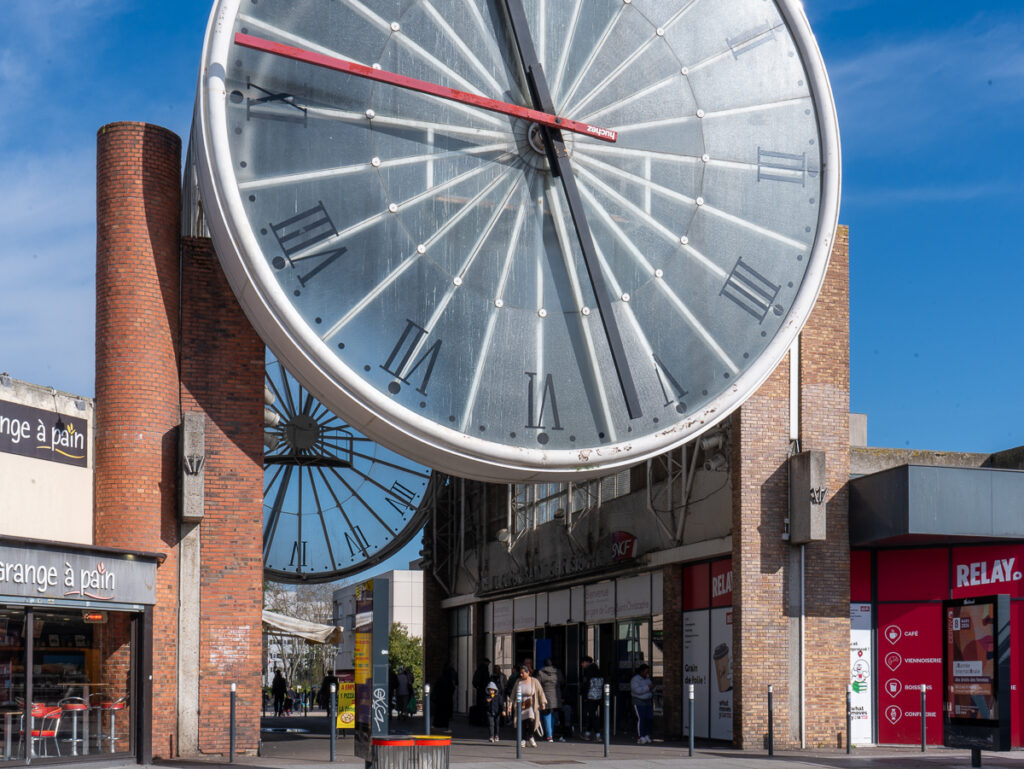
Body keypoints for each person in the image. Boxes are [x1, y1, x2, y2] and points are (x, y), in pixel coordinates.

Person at [508, 664, 547, 748]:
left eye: (523, 673)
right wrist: (510, 705)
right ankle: (523, 739)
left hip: (531, 704)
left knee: (531, 720)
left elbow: (540, 692)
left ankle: (531, 736)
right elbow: (513, 694)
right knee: (522, 722)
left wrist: (543, 703)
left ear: (528, 672)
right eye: (520, 673)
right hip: (521, 704)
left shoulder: (534, 681)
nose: (521, 674)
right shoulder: (518, 681)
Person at [536, 658, 565, 742]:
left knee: (546, 715)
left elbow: (537, 685)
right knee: (553, 715)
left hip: (545, 696)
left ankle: (549, 735)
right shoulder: (558, 672)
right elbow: (562, 682)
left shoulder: (540, 672)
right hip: (556, 696)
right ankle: (551, 733)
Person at [630, 663, 655, 744]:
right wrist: (648, 688)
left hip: (648, 700)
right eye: (646, 672)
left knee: (649, 718)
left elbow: (652, 688)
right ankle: (640, 736)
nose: (647, 674)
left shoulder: (647, 679)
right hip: (639, 701)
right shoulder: (635, 679)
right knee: (641, 718)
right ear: (641, 671)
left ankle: (646, 734)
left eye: (648, 672)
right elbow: (637, 690)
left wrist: (652, 689)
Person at [580, 656, 603, 740]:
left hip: (590, 697)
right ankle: (587, 733)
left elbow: (586, 685)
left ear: (586, 662)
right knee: (592, 715)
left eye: (582, 663)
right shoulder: (598, 671)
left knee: (592, 716)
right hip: (598, 696)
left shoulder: (588, 671)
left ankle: (598, 734)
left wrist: (584, 696)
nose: (581, 665)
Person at [432, 662, 457, 731]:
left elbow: (436, 688)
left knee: (438, 712)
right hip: (447, 698)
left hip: (440, 698)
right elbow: (452, 688)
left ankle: (436, 724)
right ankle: (445, 725)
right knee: (446, 713)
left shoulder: (440, 679)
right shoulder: (449, 680)